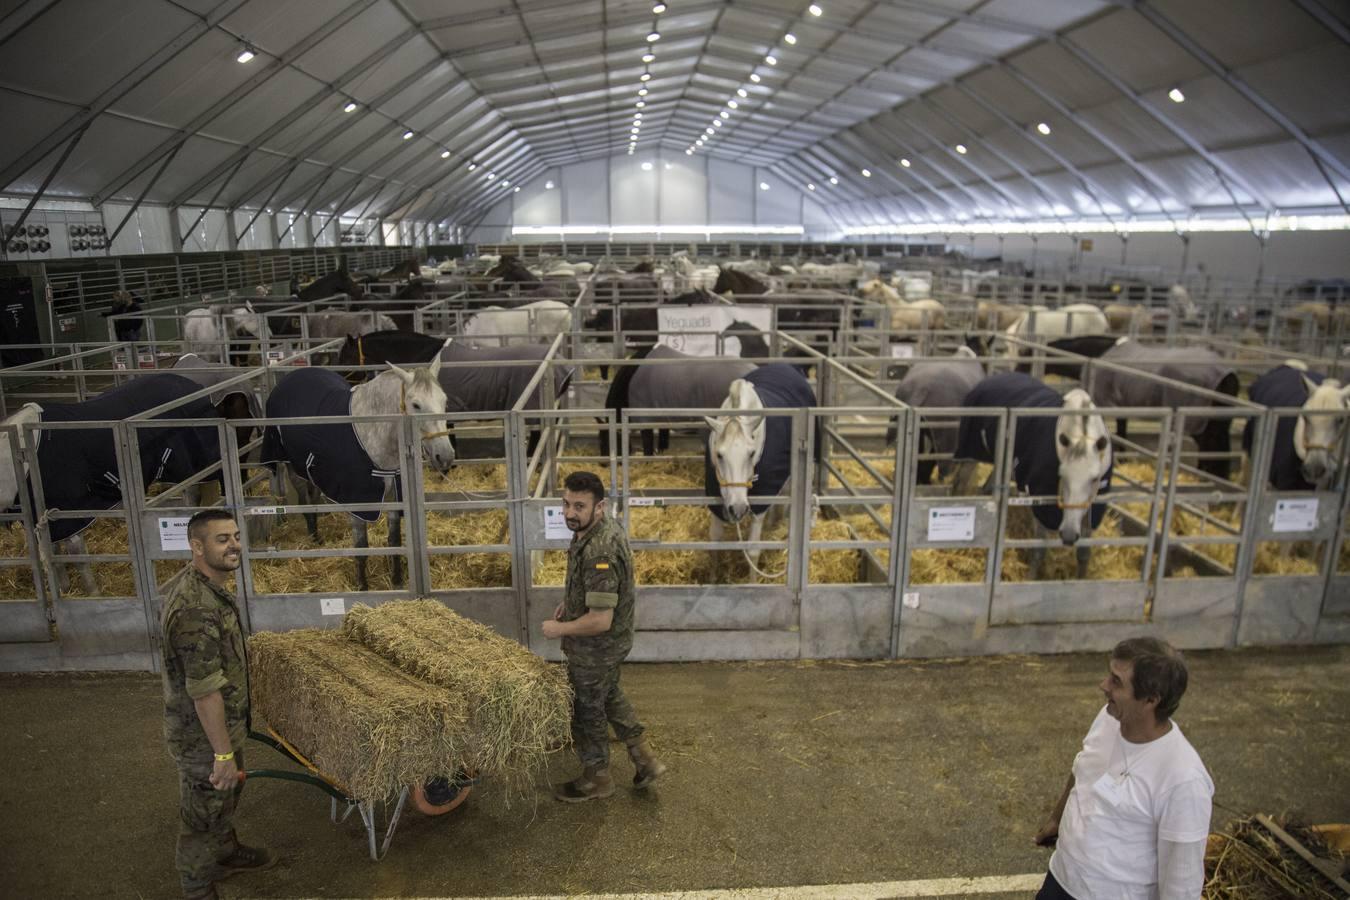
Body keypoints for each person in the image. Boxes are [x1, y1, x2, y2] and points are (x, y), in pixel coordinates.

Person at [1034, 637, 1213, 900]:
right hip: (1061, 880)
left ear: (1151, 699)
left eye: (1116, 681)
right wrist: (1056, 819)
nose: (1103, 685)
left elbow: (1182, 885)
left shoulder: (1183, 780)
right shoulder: (1109, 718)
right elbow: (1083, 767)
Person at [161, 510, 275, 900]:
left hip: (221, 727)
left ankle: (226, 853)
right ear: (197, 547)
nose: (234, 545)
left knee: (225, 800)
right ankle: (197, 889)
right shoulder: (196, 608)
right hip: (203, 739)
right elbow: (204, 690)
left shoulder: (209, 588)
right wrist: (222, 754)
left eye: (236, 536)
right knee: (202, 817)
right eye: (222, 539)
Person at [541, 470, 666, 801]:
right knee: (609, 696)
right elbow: (596, 591)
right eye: (566, 504)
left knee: (587, 711)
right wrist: (569, 603)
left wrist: (559, 629)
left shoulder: (600, 550)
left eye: (579, 506)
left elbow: (599, 620)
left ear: (600, 507)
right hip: (608, 646)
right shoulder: (596, 530)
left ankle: (597, 778)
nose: (570, 513)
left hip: (597, 647)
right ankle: (646, 760)